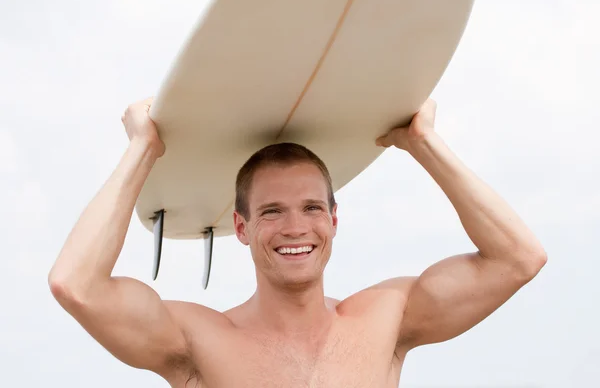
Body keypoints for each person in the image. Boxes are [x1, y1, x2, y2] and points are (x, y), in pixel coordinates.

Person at [48, 96, 547, 387]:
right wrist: (144, 147)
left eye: (311, 208)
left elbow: (519, 258)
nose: (295, 228)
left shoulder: (386, 318)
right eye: (272, 212)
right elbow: (77, 285)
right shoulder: (199, 341)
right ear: (241, 228)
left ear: (333, 218)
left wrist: (423, 141)